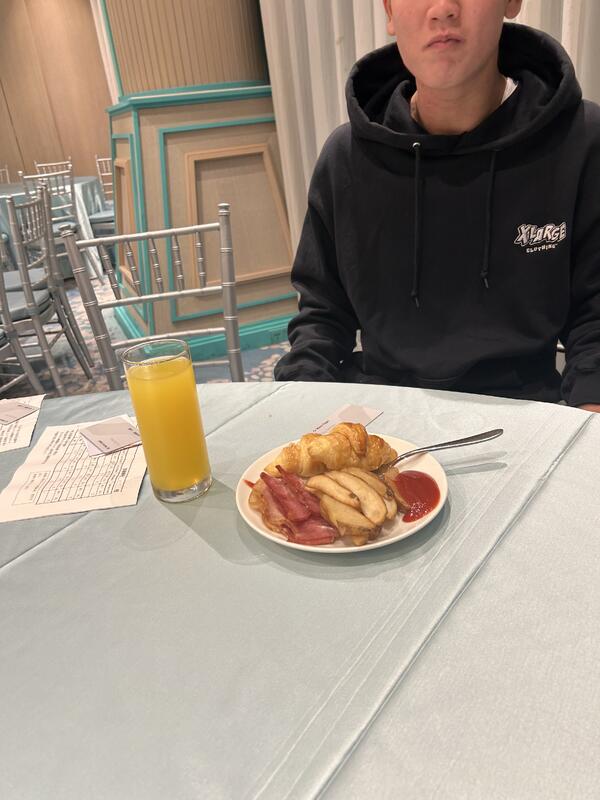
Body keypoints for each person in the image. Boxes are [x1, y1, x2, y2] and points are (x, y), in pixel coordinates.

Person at [274, 0, 600, 413]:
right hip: (381, 412)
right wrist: (300, 409)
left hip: (525, 414)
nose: (443, 8)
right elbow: (322, 316)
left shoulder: (579, 140)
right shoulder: (346, 157)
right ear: (389, 12)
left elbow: (594, 320)